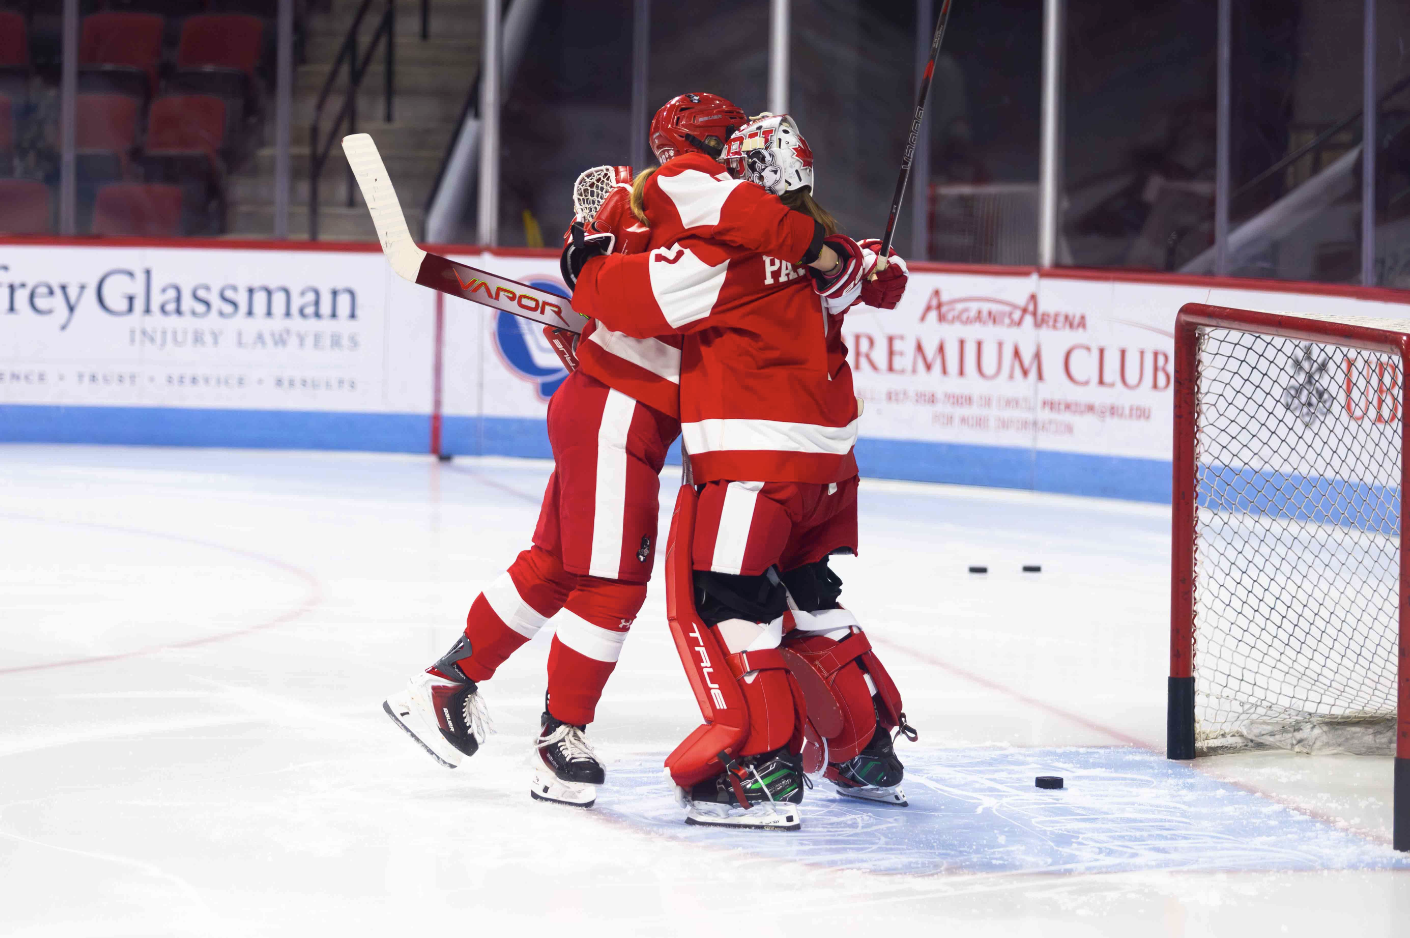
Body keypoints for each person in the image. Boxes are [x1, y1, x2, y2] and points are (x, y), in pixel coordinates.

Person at [382, 92, 832, 810]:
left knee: (557, 566)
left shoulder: (652, 197)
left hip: (610, 403)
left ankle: (441, 687)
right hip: (622, 407)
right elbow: (671, 270)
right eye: (730, 141)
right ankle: (562, 740)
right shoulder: (696, 187)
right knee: (614, 582)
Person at [563, 111, 914, 829]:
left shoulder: (728, 257)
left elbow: (633, 303)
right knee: (811, 595)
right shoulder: (832, 253)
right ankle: (865, 752)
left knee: (729, 598)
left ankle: (764, 773)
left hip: (754, 461)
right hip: (828, 470)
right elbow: (881, 277)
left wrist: (586, 264)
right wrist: (873, 264)